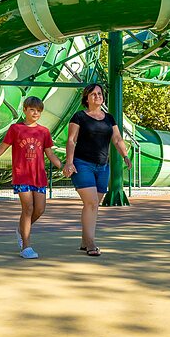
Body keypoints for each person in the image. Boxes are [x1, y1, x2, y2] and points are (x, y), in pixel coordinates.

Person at [0, 96, 63, 259]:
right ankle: (26, 246)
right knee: (28, 208)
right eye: (32, 109)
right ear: (24, 110)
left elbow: (50, 153)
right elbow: (1, 148)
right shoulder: (15, 129)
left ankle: (21, 230)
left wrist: (64, 166)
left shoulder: (44, 131)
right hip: (22, 175)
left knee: (40, 209)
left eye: (38, 110)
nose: (35, 113)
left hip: (39, 176)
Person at [63, 83, 130, 256]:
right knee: (91, 202)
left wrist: (125, 156)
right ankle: (91, 243)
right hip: (82, 164)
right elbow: (71, 140)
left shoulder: (109, 118)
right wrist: (69, 162)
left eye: (99, 93)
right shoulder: (79, 117)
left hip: (103, 166)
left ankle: (85, 241)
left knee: (93, 205)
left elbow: (117, 139)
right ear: (86, 98)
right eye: (93, 94)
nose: (97, 96)